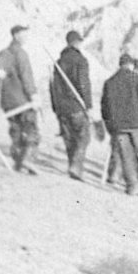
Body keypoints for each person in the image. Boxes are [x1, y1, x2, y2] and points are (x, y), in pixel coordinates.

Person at [100, 52, 138, 194]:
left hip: (118, 126)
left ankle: (133, 185)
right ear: (130, 65)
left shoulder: (109, 82)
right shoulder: (136, 79)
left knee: (126, 157)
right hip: (136, 123)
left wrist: (109, 124)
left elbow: (104, 106)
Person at [0, 23, 40, 173]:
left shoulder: (2, 54)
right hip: (23, 101)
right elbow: (27, 77)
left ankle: (18, 163)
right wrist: (33, 95)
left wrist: (6, 91)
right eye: (23, 34)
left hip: (8, 102)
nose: (26, 37)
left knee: (16, 131)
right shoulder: (20, 53)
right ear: (16, 35)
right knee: (31, 130)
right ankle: (27, 160)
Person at [49, 29, 93, 179]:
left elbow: (52, 87)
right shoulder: (81, 61)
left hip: (61, 107)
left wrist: (55, 107)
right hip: (76, 106)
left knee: (69, 139)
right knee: (83, 137)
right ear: (76, 42)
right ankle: (75, 165)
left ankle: (73, 168)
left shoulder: (58, 62)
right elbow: (84, 84)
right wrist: (88, 105)